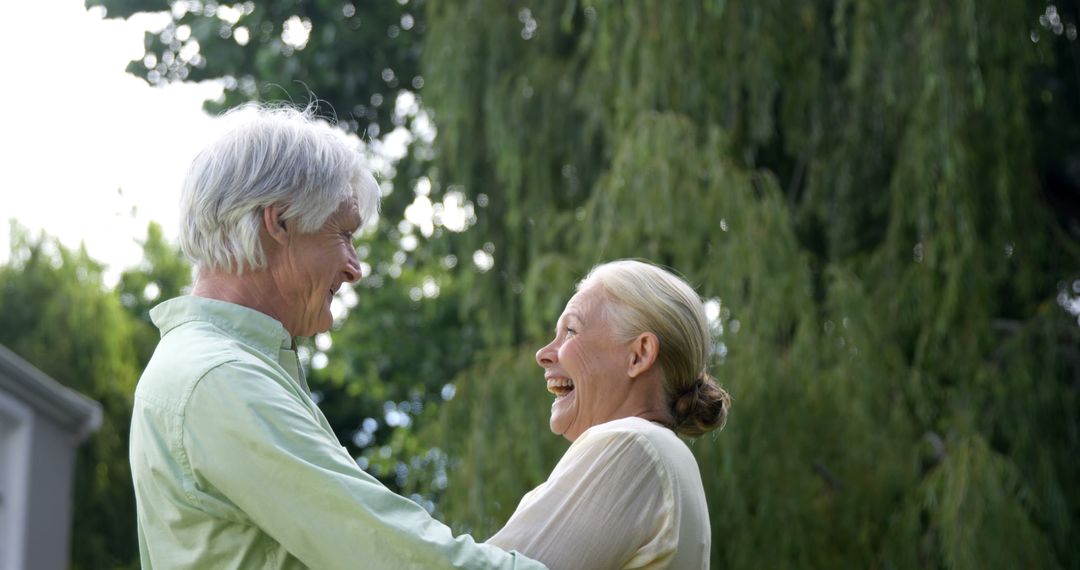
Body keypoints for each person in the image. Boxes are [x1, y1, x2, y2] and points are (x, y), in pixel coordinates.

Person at [129, 104, 545, 569]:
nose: (354, 267)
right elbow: (387, 550)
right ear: (280, 222)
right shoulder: (221, 378)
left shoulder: (210, 368)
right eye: (343, 233)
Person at [487, 260, 731, 569]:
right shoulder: (664, 455)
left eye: (570, 331)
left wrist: (403, 522)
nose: (544, 354)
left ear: (639, 355)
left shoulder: (633, 444)